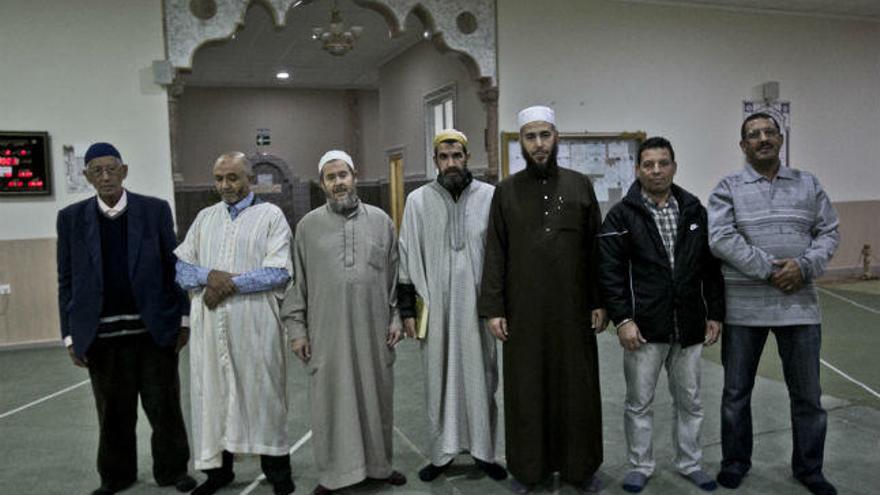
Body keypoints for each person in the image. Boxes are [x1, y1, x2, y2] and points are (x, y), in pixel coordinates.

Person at [708, 113, 840, 495]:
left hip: (799, 308)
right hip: (743, 311)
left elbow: (829, 232)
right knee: (735, 393)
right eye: (754, 134)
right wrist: (771, 270)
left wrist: (803, 266)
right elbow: (721, 239)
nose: (762, 139)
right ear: (743, 145)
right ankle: (735, 462)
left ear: (780, 139)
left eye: (769, 133)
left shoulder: (808, 184)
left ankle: (809, 468)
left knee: (808, 396)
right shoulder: (727, 188)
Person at [479, 106, 608, 493]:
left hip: (573, 313)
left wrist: (600, 301)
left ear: (557, 138)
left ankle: (580, 468)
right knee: (526, 390)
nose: (539, 144)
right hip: (524, 315)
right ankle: (528, 469)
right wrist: (494, 308)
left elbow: (595, 250)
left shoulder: (580, 185)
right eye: (531, 137)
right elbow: (495, 252)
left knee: (577, 391)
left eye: (545, 135)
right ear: (521, 142)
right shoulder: (506, 191)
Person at [56, 142, 196, 495]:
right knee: (113, 415)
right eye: (97, 171)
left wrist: (182, 318)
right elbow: (66, 279)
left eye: (111, 169)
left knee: (164, 409)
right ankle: (116, 477)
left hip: (153, 331)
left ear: (124, 171)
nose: (105, 176)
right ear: (87, 176)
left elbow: (173, 267)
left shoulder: (154, 211)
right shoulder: (71, 219)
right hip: (101, 337)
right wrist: (70, 334)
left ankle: (173, 471)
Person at [597, 136, 724, 493]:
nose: (656, 170)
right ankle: (640, 464)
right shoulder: (621, 216)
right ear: (637, 169)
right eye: (648, 164)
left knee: (691, 400)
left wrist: (713, 313)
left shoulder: (694, 211)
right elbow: (610, 273)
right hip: (643, 329)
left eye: (663, 163)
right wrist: (623, 320)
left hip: (688, 324)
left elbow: (710, 269)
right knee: (639, 402)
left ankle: (691, 462)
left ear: (674, 167)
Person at [281, 150, 406, 495]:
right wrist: (297, 331)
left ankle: (380, 467)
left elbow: (396, 277)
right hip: (327, 334)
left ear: (355, 176)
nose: (339, 183)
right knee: (330, 403)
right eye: (331, 177)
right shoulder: (307, 228)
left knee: (376, 398)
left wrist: (396, 316)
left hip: (374, 332)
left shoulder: (382, 221)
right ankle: (334, 475)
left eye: (343, 175)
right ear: (322, 184)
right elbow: (297, 285)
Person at [174, 151, 294, 495]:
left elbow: (278, 272)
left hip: (256, 326)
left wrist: (226, 286)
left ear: (250, 179)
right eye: (219, 178)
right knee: (215, 395)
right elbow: (181, 269)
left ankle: (277, 472)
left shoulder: (270, 216)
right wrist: (210, 276)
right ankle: (218, 473)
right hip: (211, 328)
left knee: (263, 395)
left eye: (233, 178)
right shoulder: (205, 218)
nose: (225, 185)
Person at [397, 129, 507, 482]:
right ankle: (441, 453)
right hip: (436, 310)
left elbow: (503, 255)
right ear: (435, 162)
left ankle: (484, 452)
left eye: (457, 156)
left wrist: (500, 306)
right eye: (443, 158)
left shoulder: (490, 197)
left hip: (480, 309)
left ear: (466, 156)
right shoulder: (417, 201)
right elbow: (406, 255)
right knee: (438, 381)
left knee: (484, 377)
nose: (451, 163)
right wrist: (408, 312)